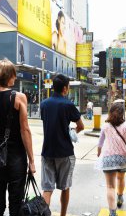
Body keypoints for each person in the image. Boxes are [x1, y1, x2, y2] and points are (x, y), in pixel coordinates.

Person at [0, 58, 35, 215]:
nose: (15, 78)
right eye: (14, 75)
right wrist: (32, 160)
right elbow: (25, 130)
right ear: (8, 76)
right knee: (16, 204)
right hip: (16, 157)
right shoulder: (19, 97)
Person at [40, 74, 84, 216]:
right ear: (65, 88)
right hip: (65, 152)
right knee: (65, 187)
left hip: (47, 151)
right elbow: (81, 126)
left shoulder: (44, 104)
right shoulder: (68, 104)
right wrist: (73, 131)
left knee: (47, 189)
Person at [97, 103, 126, 216]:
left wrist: (99, 152)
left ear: (110, 112)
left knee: (110, 186)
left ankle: (112, 213)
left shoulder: (105, 126)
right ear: (122, 114)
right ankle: (120, 197)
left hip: (108, 158)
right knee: (121, 178)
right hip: (123, 158)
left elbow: (100, 142)